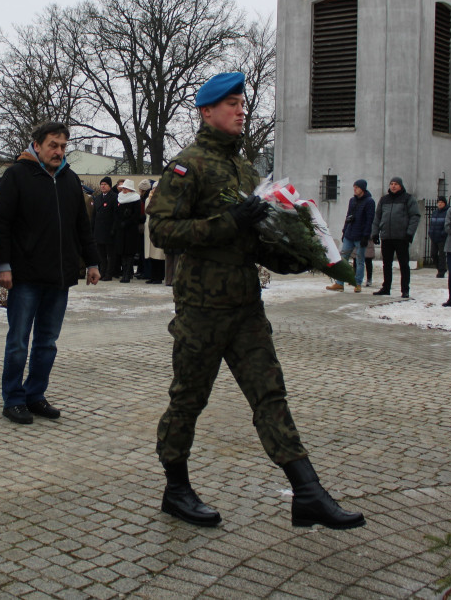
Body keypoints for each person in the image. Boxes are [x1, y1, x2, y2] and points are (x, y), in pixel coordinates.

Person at [148, 72, 364, 530]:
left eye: (243, 103)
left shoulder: (246, 171)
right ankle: (176, 488)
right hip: (202, 309)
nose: (241, 110)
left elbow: (257, 240)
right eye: (230, 103)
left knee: (270, 395)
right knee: (188, 399)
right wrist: (228, 222)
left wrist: (298, 254)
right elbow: (162, 231)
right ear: (206, 111)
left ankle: (307, 492)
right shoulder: (188, 166)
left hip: (245, 305)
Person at [0, 121, 101, 425]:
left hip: (60, 276)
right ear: (36, 145)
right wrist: (3, 266)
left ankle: (35, 395)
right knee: (18, 341)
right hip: (25, 275)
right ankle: (13, 399)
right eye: (53, 145)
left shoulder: (69, 179)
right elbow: (0, 222)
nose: (59, 151)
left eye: (64, 146)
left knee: (47, 341)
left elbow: (82, 225)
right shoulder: (16, 175)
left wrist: (92, 262)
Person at [372, 177, 421, 299]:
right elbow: (377, 217)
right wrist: (375, 233)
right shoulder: (384, 200)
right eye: (391, 184)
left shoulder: (408, 199)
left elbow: (415, 216)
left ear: (401, 186)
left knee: (403, 264)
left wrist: (410, 233)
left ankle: (405, 289)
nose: (393, 186)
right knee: (386, 264)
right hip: (386, 237)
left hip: (401, 237)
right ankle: (386, 288)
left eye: (396, 184)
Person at [326, 179, 375, 293]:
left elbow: (369, 220)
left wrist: (365, 236)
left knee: (359, 260)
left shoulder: (369, 202)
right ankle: (339, 283)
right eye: (354, 187)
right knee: (342, 259)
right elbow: (348, 216)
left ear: (362, 189)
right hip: (350, 234)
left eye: (357, 187)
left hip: (360, 235)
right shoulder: (352, 200)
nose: (355, 189)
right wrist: (344, 231)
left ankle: (357, 283)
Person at [113, 179, 142, 283]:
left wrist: (127, 222)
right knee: (122, 252)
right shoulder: (119, 198)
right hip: (120, 229)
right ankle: (124, 272)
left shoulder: (135, 199)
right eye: (123, 188)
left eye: (125, 188)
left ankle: (127, 274)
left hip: (130, 230)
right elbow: (115, 212)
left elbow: (136, 215)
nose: (124, 190)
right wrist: (119, 222)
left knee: (129, 252)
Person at [92, 176, 117, 281]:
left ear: (110, 186)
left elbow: (116, 215)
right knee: (101, 254)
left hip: (108, 230)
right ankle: (102, 272)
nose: (102, 186)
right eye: (101, 184)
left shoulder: (114, 197)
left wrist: (113, 229)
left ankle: (109, 273)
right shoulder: (97, 198)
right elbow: (94, 215)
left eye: (105, 184)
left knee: (110, 255)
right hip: (98, 230)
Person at [143, 180, 166, 284]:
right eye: (153, 188)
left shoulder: (163, 199)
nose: (154, 190)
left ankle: (159, 277)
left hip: (159, 226)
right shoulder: (148, 199)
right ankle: (152, 276)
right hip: (149, 226)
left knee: (158, 254)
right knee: (150, 254)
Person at [428, 197, 449, 278]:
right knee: (433, 254)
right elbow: (431, 223)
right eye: (438, 202)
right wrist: (430, 232)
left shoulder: (447, 212)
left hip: (442, 237)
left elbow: (447, 224)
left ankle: (441, 271)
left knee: (442, 255)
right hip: (434, 236)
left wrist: (443, 233)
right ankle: (440, 268)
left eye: (441, 202)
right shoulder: (435, 212)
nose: (440, 204)